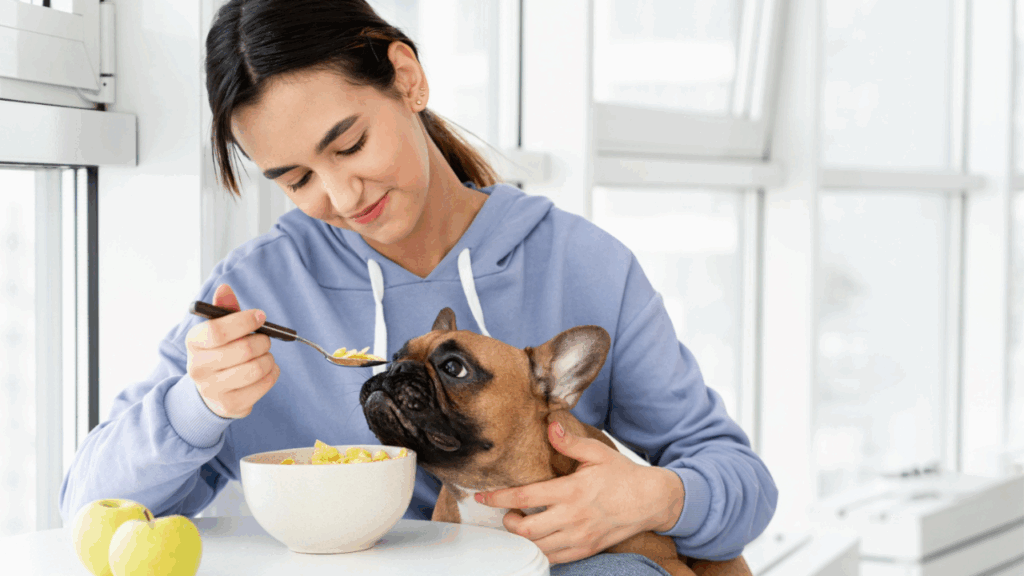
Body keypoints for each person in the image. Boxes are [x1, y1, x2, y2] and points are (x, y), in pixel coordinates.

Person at [58, 1, 778, 574]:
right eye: (297, 179)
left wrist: (656, 495)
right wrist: (198, 404)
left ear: (407, 77)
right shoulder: (255, 292)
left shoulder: (581, 262)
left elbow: (739, 484)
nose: (342, 194)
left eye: (349, 145)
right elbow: (87, 513)